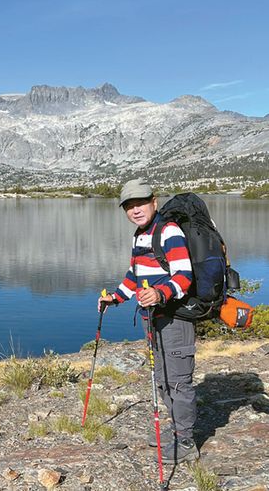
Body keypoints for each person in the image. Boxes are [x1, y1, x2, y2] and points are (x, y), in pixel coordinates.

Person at [98, 178, 199, 464]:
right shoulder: (140, 235)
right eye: (129, 206)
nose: (135, 210)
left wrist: (159, 293)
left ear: (154, 201)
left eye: (140, 203)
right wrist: (115, 298)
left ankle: (187, 441)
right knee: (163, 378)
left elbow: (184, 275)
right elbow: (134, 276)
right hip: (152, 320)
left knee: (178, 379)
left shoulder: (168, 232)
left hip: (174, 319)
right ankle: (177, 430)